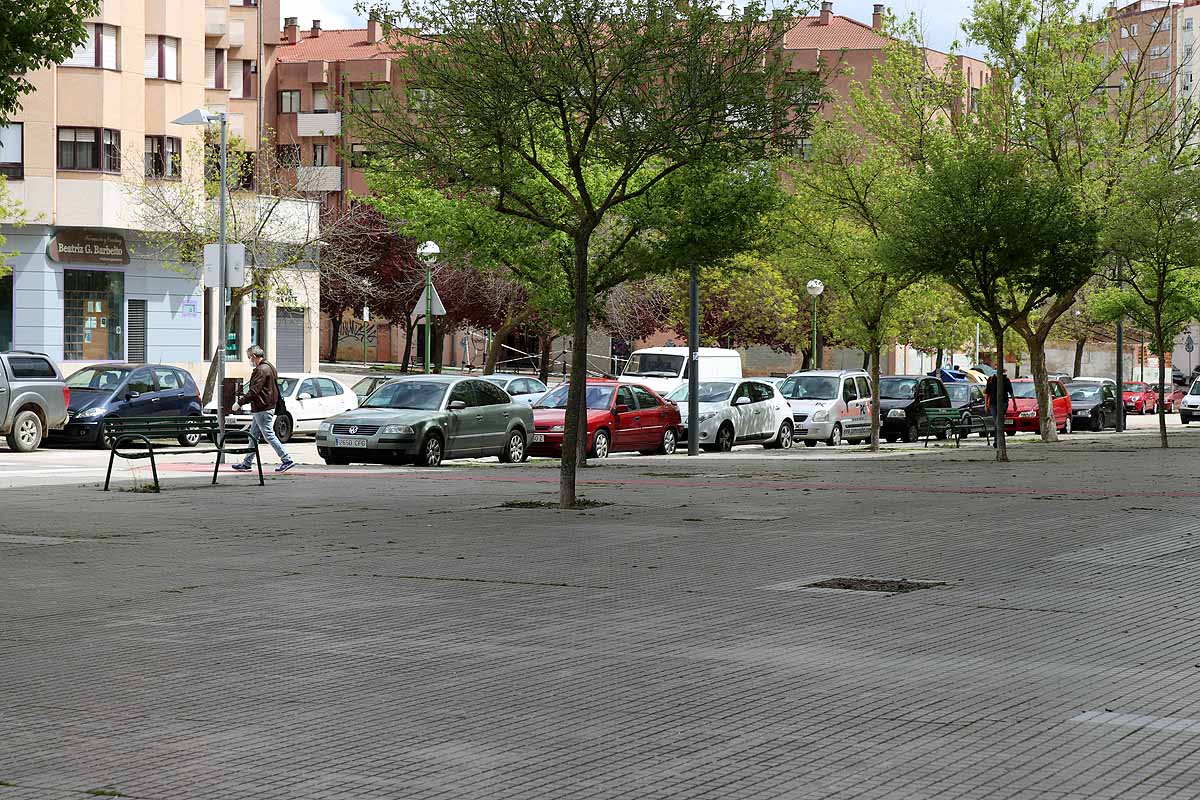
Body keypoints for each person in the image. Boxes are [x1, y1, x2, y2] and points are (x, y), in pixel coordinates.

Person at [231, 345, 295, 473]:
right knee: (253, 435)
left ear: (254, 356)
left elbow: (254, 391)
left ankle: (287, 459)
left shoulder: (261, 370)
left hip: (263, 407)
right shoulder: (270, 367)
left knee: (268, 435)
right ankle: (247, 463)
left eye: (249, 357)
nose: (250, 360)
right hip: (264, 407)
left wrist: (240, 403)